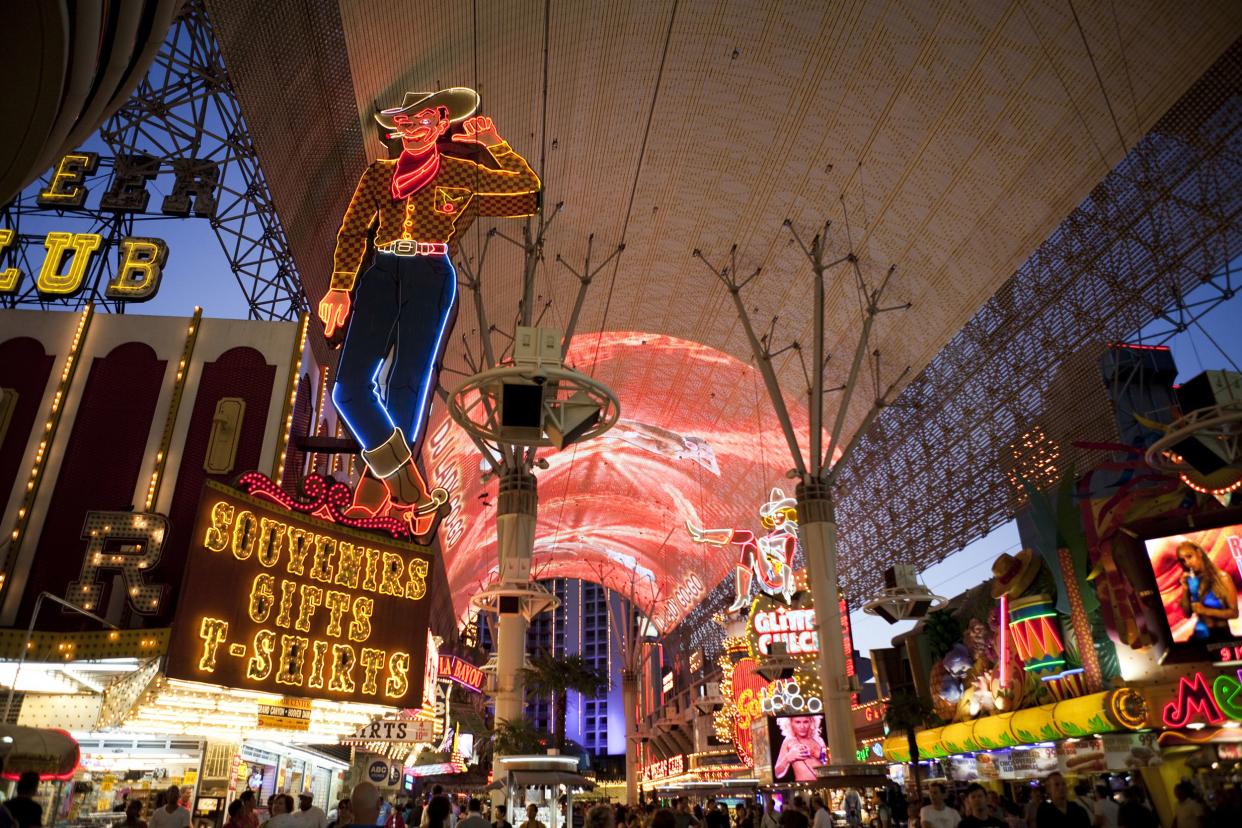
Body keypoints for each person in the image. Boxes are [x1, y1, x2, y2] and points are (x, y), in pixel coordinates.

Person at [320, 87, 541, 532]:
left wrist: (493, 143)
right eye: (404, 120)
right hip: (381, 272)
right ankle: (413, 493)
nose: (411, 127)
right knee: (347, 388)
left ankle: (373, 492)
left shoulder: (464, 172)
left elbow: (528, 190)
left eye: (422, 120)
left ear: (441, 124)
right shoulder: (378, 176)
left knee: (408, 385)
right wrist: (340, 287)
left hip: (431, 273)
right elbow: (352, 232)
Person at [1174, 540, 1240, 641]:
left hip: (1220, 635)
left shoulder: (1222, 578)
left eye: (1189, 556)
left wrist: (1206, 610)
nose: (1187, 563)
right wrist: (1186, 589)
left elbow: (1234, 613)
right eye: (1183, 560)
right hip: (1199, 635)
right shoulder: (1191, 581)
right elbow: (1187, 614)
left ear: (1199, 553)